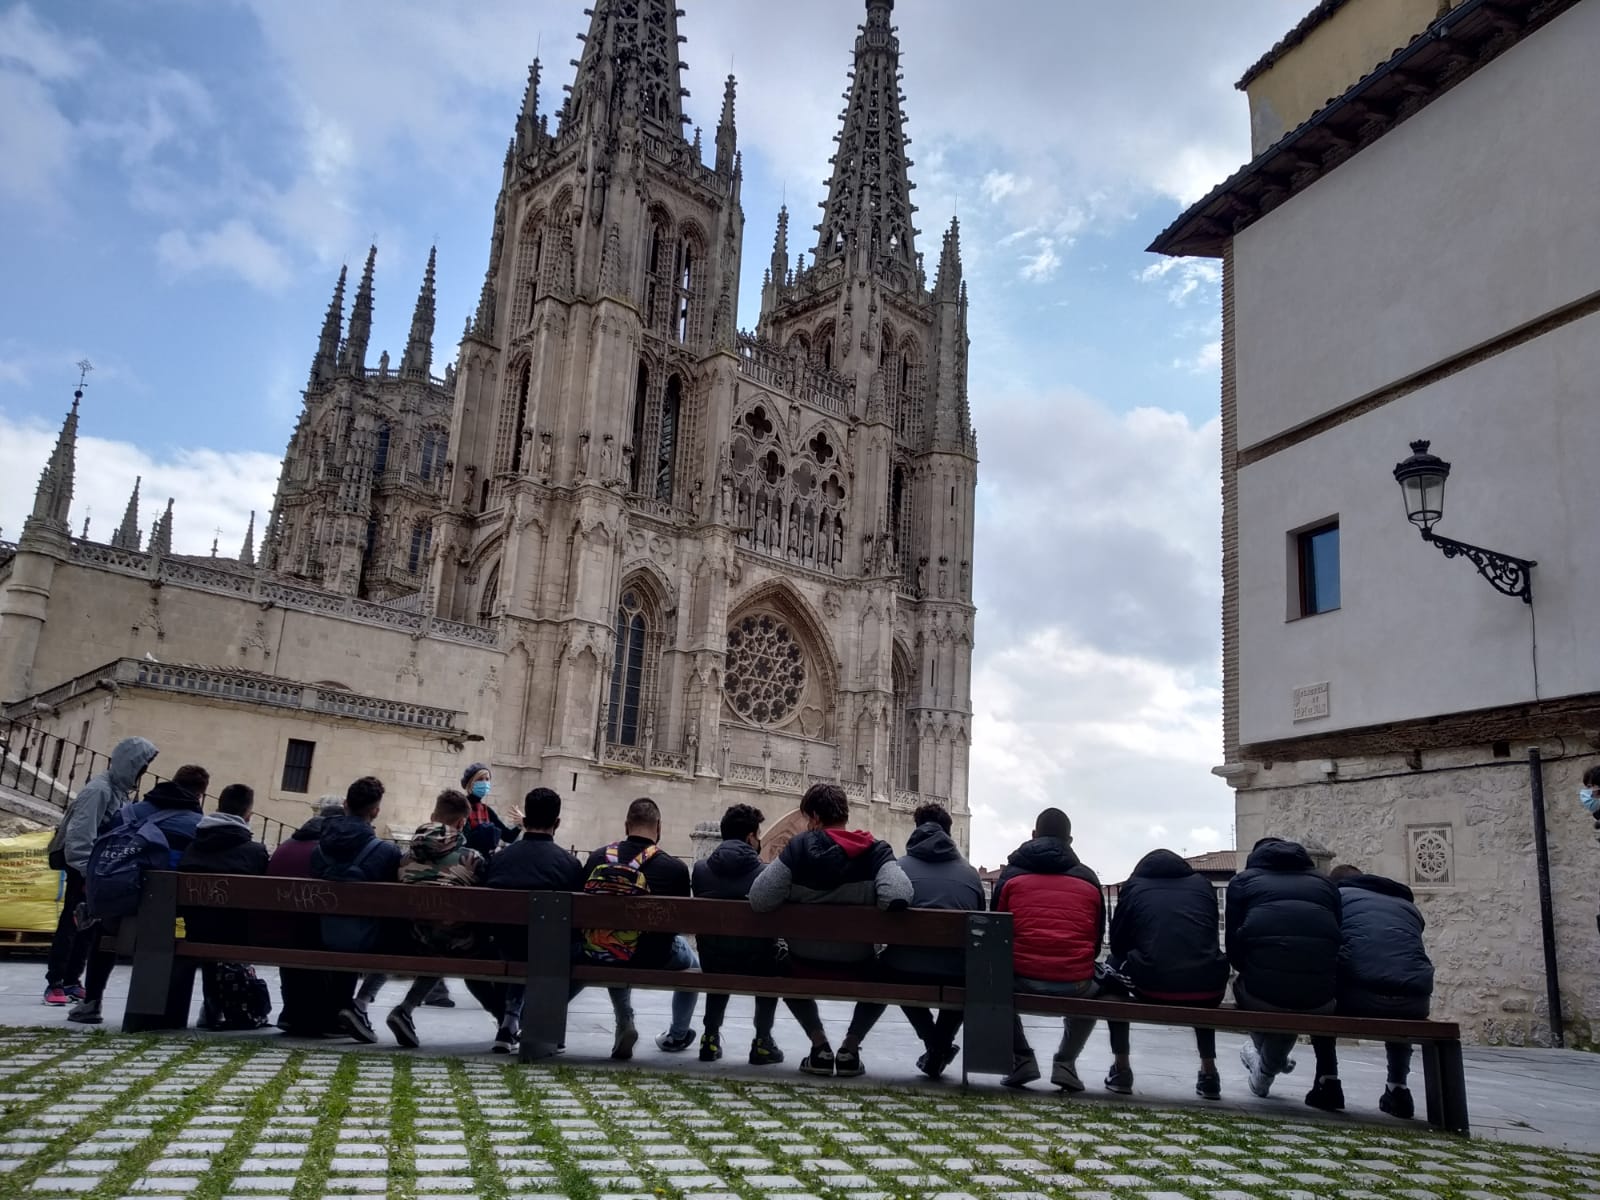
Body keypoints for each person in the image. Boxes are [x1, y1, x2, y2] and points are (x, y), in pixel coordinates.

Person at [749, 783, 912, 1078]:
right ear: (845, 815)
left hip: (803, 964)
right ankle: (850, 1048)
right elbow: (899, 894)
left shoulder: (798, 850)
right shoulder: (874, 851)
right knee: (888, 970)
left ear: (813, 818)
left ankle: (819, 1045)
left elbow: (759, 899)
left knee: (776, 964)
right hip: (857, 964)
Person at [68, 763, 208, 1025]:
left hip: (123, 909)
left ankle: (91, 1002)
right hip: (173, 917)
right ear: (200, 795)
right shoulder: (199, 826)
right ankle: (210, 1009)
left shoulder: (127, 813)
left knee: (103, 930)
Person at [1305, 863, 1435, 1117]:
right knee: (1397, 991)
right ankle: (1398, 1088)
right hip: (1415, 1001)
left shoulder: (1337, 899)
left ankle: (1327, 1080)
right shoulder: (1407, 906)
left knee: (1321, 995)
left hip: (1358, 995)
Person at [990, 807, 1105, 1092]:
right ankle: (1065, 1062)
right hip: (1076, 984)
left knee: (991, 984)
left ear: (1033, 835)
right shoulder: (1088, 879)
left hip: (1021, 980)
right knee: (1102, 989)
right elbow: (1096, 940)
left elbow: (995, 935)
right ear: (1070, 840)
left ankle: (1022, 1058)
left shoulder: (1011, 877)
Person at [1102, 849, 1232, 1099]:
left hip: (1155, 983)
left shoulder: (1134, 887)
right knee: (1198, 966)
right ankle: (1209, 1072)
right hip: (1207, 986)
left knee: (1111, 968)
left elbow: (1118, 945)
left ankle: (1121, 1068)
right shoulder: (1203, 887)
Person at [383, 789, 506, 1048]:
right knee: (478, 953)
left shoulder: (404, 858)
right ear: (462, 823)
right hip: (458, 945)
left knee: (440, 942)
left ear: (432, 816)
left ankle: (405, 1010)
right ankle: (507, 1021)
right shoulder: (471, 859)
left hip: (412, 940)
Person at [43, 737, 159, 1006]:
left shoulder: (117, 791)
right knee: (72, 923)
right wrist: (87, 873)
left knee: (89, 925)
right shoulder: (100, 791)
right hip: (84, 867)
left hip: (97, 867)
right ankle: (56, 982)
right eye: (142, 765)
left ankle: (72, 980)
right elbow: (80, 837)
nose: (143, 772)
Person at [580, 797, 698, 1059]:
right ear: (659, 827)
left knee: (616, 947)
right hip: (655, 955)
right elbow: (681, 924)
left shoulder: (597, 858)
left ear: (626, 825)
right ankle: (678, 1034)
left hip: (603, 951)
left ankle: (625, 1020)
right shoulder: (675, 868)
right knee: (694, 965)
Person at [1226, 836, 1342, 1099]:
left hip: (1263, 995)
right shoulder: (1326, 885)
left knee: (1263, 989)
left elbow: (1234, 951)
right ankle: (1272, 1062)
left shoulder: (1243, 882)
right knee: (1291, 987)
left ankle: (1265, 1069)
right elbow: (1336, 939)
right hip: (1320, 998)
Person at [880, 802, 984, 1080]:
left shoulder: (897, 869)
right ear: (949, 833)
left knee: (894, 968)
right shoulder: (971, 875)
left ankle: (935, 1045)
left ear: (916, 830)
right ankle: (938, 1047)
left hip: (904, 969)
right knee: (965, 976)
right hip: (956, 972)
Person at [690, 803, 793, 1066]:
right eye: (758, 836)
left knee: (719, 952)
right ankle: (762, 1041)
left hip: (713, 962)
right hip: (757, 963)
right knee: (772, 958)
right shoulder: (766, 874)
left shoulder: (700, 871)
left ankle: (710, 1037)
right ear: (750, 837)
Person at [485, 787, 584, 1053]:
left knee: (517, 945)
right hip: (552, 953)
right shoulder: (570, 865)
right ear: (558, 823)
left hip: (501, 948)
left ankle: (509, 1022)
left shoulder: (499, 860)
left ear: (525, 821)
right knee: (573, 952)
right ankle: (534, 1019)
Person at [311, 776, 402, 1043]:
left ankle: (333, 1012)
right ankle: (357, 1005)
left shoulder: (320, 848)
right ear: (375, 811)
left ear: (345, 804)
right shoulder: (386, 851)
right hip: (367, 939)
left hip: (321, 934)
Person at [176, 783, 271, 1027]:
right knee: (229, 925)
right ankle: (222, 1004)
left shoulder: (193, 849)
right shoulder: (255, 852)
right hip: (240, 935)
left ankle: (212, 1005)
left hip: (195, 930)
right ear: (248, 815)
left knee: (211, 925)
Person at [264, 799, 346, 1036]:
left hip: (270, 930)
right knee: (334, 935)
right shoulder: (326, 850)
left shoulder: (287, 845)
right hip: (309, 933)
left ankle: (293, 1011)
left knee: (299, 931)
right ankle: (324, 1016)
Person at [459, 763, 522, 857]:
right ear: (470, 783)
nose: (484, 783)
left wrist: (520, 824)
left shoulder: (486, 810)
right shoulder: (460, 807)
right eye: (480, 779)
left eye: (487, 779)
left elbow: (508, 837)